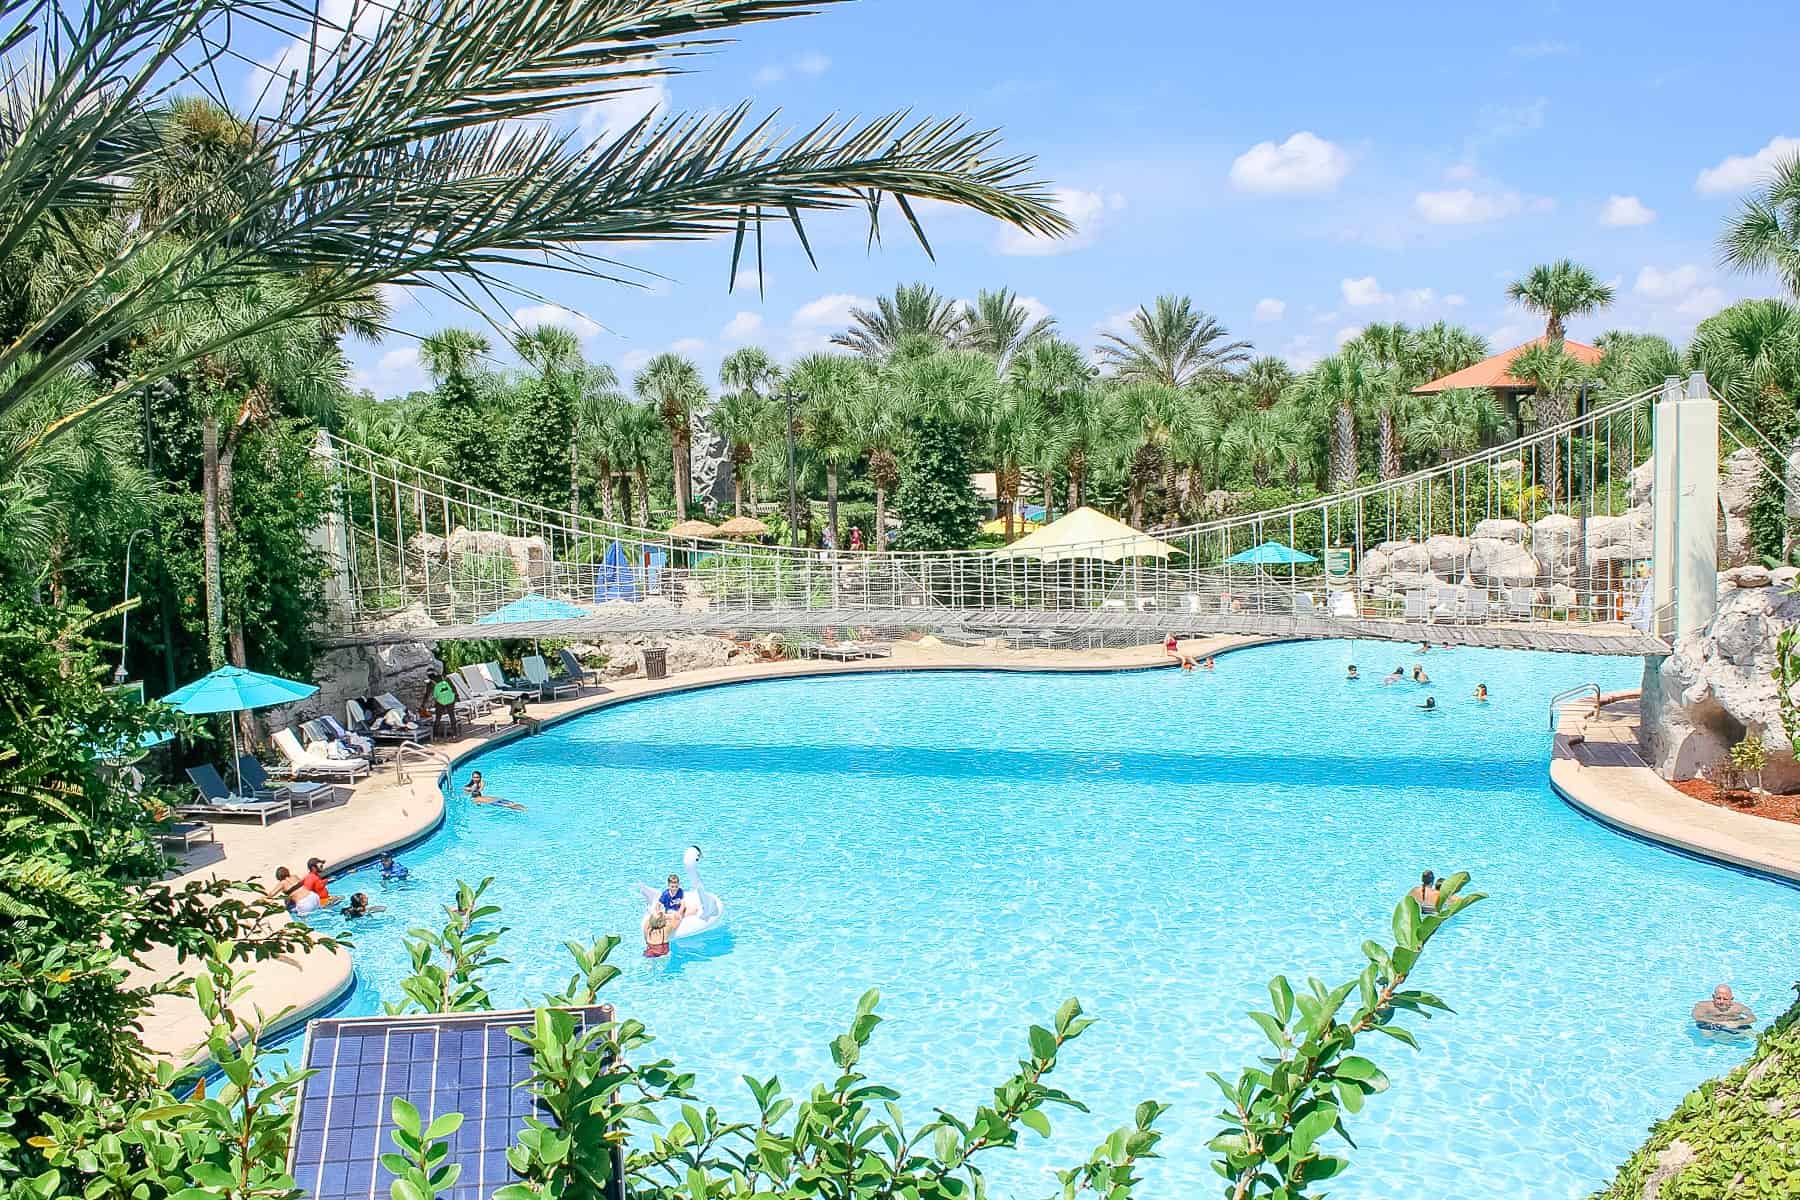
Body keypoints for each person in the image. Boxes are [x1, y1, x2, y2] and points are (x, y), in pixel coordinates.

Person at [430, 675, 460, 739]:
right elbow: (453, 689)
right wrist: (456, 697)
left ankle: (435, 736)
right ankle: (454, 734)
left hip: (441, 702)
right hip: (450, 700)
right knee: (452, 716)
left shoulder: (434, 685)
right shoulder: (446, 681)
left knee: (438, 718)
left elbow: (435, 696)